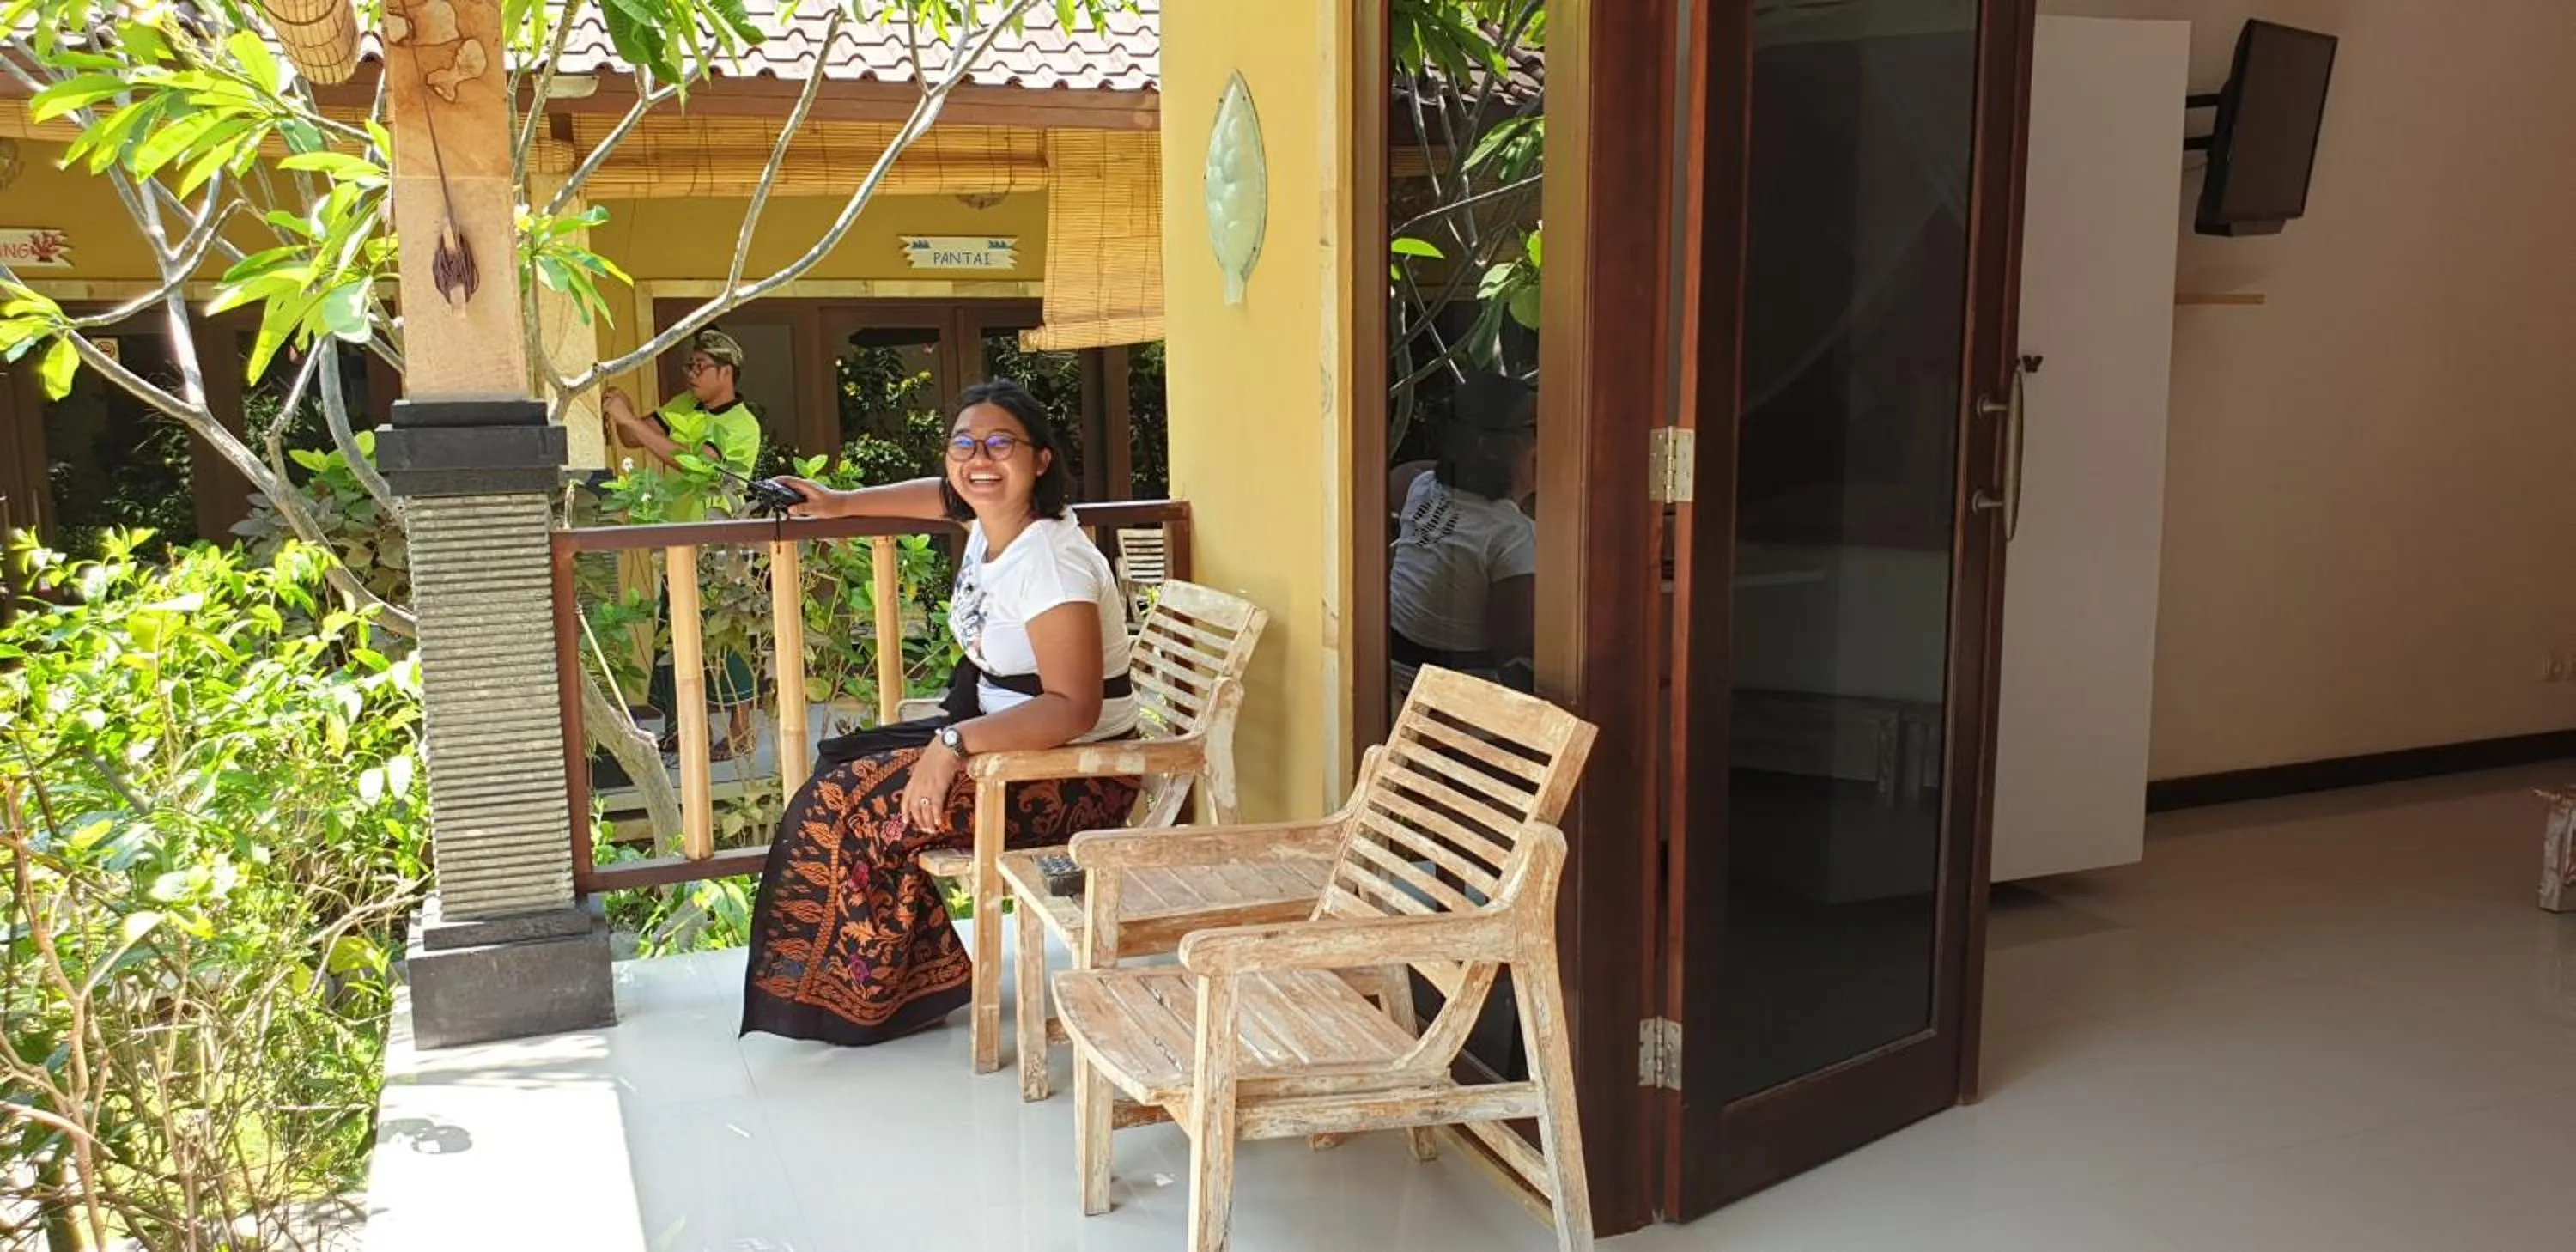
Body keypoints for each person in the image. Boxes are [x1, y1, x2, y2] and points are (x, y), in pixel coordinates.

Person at [739, 378, 1140, 1046]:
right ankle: (897, 982)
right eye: (964, 443)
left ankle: (875, 993)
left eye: (1000, 444)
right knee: (844, 774)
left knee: (852, 804)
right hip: (1008, 748)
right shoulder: (995, 526)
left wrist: (952, 744)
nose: (979, 459)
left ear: (1040, 460)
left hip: (1070, 778)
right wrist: (838, 504)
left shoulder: (1051, 563)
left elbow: (1073, 708)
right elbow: (941, 497)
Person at [599, 328, 764, 758]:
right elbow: (637, 438)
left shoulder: (741, 425)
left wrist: (631, 419)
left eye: (699, 366)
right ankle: (682, 729)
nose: (691, 374)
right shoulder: (684, 407)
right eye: (688, 366)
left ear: (725, 372)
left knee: (724, 632)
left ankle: (741, 728)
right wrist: (625, 413)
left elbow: (695, 466)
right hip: (677, 541)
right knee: (674, 635)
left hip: (719, 543)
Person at [1388, 373, 1538, 711]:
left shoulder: (1424, 488)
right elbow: (1515, 653)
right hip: (1452, 703)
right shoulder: (1512, 535)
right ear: (1488, 447)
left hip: (1393, 682)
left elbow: (1405, 475)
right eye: (1537, 430)